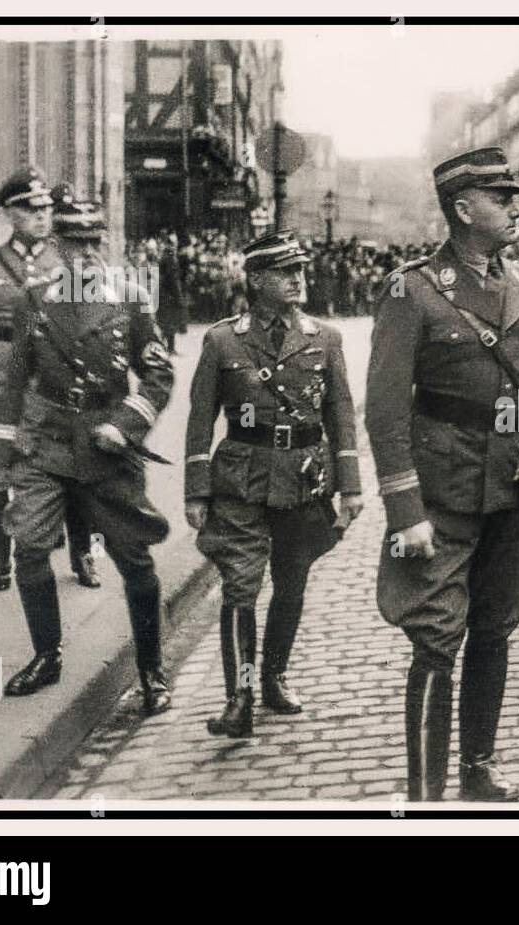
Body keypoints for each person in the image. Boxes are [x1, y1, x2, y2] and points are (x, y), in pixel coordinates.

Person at [364, 147, 519, 801]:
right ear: (462, 209)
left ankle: (478, 769)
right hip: (443, 497)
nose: (516, 207)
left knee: (495, 627)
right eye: (501, 198)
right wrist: (405, 514)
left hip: (514, 488)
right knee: (435, 639)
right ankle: (426, 794)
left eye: (514, 197)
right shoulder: (413, 290)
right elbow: (386, 411)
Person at [0, 193, 174, 713]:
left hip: (106, 443)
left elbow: (158, 372)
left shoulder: (132, 296)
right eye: (75, 245)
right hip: (48, 441)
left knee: (133, 558)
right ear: (57, 246)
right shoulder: (35, 298)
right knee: (28, 546)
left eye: (94, 243)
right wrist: (3, 449)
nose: (86, 255)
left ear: (105, 244)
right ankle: (47, 655)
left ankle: (151, 671)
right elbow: (14, 379)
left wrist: (126, 424)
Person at [184, 231, 363, 737]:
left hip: (305, 478)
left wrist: (350, 484)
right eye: (285, 273)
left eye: (299, 271)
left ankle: (273, 676)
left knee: (292, 579)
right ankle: (238, 695)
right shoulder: (222, 340)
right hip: (241, 475)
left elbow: (340, 412)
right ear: (256, 280)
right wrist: (196, 489)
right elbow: (201, 417)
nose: (297, 280)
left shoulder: (325, 338)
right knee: (241, 583)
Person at [0, 168, 100, 599]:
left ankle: (82, 556)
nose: (42, 217)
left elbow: (86, 324)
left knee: (70, 468)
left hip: (50, 384)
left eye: (47, 209)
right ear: (11, 215)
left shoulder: (65, 262)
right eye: (32, 210)